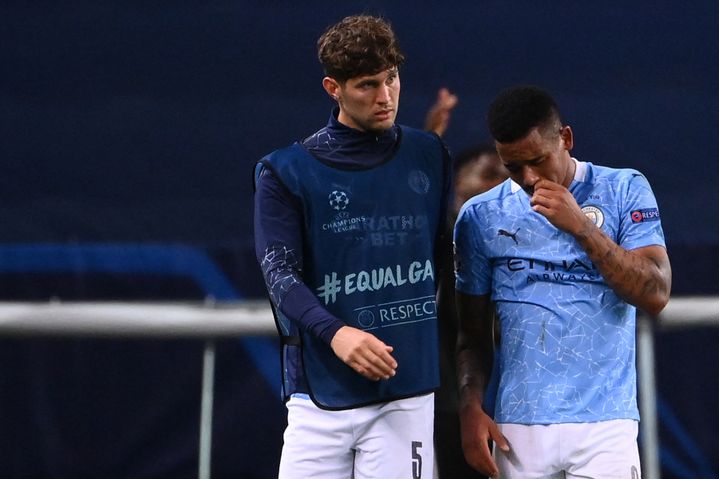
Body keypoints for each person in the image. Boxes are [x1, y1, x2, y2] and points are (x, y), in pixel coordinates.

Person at [253, 15, 451, 479]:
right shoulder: (284, 172)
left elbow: (440, 254)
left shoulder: (431, 155)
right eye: (367, 85)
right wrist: (337, 333)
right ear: (333, 87)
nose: (385, 97)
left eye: (392, 79)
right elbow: (279, 274)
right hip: (319, 394)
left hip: (405, 389)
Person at [453, 85, 672, 478]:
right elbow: (471, 333)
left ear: (566, 139)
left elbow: (655, 293)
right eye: (513, 167)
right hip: (518, 426)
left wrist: (581, 227)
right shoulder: (480, 216)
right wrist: (470, 407)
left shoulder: (623, 189)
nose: (529, 178)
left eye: (538, 160)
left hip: (605, 422)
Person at [434, 145, 507, 479]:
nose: (500, 186)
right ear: (457, 183)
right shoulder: (436, 243)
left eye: (507, 178)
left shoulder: (513, 248)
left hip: (501, 405)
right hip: (442, 403)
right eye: (489, 174)